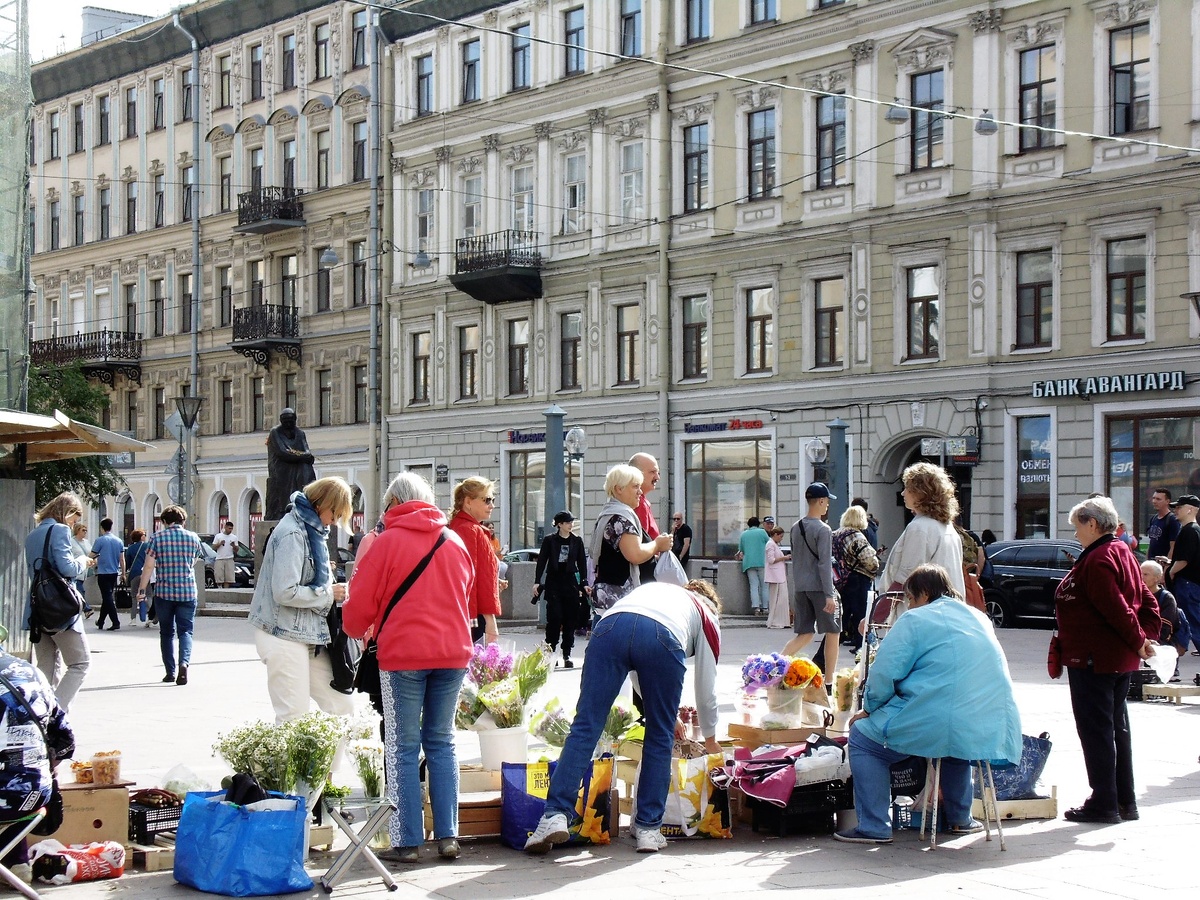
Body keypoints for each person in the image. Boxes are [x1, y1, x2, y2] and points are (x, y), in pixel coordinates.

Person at [524, 580, 722, 855]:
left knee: (585, 726)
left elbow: (638, 661)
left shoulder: (659, 591)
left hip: (610, 627)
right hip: (663, 639)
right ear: (713, 606)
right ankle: (648, 829)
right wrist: (710, 738)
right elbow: (706, 687)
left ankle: (554, 814)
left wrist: (656, 707)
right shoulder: (707, 615)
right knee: (659, 735)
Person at [835, 564, 1022, 844]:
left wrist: (869, 707)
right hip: (989, 722)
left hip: (939, 720)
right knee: (955, 744)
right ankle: (960, 819)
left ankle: (874, 826)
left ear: (924, 593)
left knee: (863, 738)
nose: (910, 605)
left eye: (911, 599)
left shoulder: (915, 619)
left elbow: (885, 672)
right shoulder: (979, 617)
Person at [342, 471, 475, 864]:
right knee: (442, 741)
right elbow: (465, 595)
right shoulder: (453, 541)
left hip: (403, 656)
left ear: (395, 503)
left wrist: (354, 626)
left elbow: (358, 609)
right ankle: (448, 836)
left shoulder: (386, 543)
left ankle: (408, 842)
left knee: (402, 745)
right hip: (452, 654)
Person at [1053, 495, 1158, 825]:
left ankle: (1104, 802)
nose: (1075, 534)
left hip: (1094, 658)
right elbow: (1145, 600)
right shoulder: (1122, 551)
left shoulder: (1100, 558)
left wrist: (1140, 640)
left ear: (1093, 524)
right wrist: (1144, 637)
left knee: (1097, 731)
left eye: (1077, 526)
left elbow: (1117, 608)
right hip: (1113, 657)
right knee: (1116, 729)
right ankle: (1124, 801)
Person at [249, 477, 355, 724]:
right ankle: (288, 752)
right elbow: (284, 591)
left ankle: (339, 753)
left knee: (341, 706)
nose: (335, 521)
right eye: (335, 514)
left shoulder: (312, 531)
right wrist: (328, 594)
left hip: (308, 633)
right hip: (282, 633)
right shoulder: (293, 533)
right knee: (293, 717)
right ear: (322, 504)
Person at [0, 628, 75, 885]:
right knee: (13, 778)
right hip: (34, 796)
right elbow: (65, 741)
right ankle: (16, 862)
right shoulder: (31, 672)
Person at [23, 492, 94, 711]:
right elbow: (67, 568)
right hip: (60, 608)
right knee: (80, 663)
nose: (73, 524)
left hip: (38, 608)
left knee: (46, 668)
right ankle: (56, 715)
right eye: (74, 519)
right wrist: (83, 560)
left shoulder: (33, 534)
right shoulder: (60, 530)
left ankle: (40, 714)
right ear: (66, 512)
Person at [589, 465, 674, 622]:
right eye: (635, 486)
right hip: (620, 603)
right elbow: (635, 555)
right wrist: (657, 545)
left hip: (613, 601)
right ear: (619, 489)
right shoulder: (620, 517)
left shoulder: (612, 513)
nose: (640, 492)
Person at [137, 505, 203, 686]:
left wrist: (142, 590)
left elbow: (148, 566)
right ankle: (184, 664)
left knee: (166, 633)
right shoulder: (193, 537)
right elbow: (195, 560)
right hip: (188, 591)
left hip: (164, 592)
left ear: (165, 521)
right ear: (183, 521)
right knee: (186, 631)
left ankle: (170, 672)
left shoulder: (157, 538)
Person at [880, 462, 965, 597]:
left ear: (920, 493)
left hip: (920, 607)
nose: (903, 493)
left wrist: (881, 608)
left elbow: (906, 578)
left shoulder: (919, 528)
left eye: (907, 488)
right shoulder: (949, 529)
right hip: (946, 605)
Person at [785, 483, 840, 681]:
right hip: (819, 587)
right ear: (821, 501)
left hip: (801, 587)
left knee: (805, 634)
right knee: (833, 632)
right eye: (827, 502)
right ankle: (829, 681)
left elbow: (795, 558)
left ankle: (775, 667)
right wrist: (829, 594)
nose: (828, 506)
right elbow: (824, 564)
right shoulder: (824, 529)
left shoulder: (795, 527)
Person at [449, 476, 503, 645]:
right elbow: (472, 579)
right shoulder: (469, 530)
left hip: (465, 612)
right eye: (487, 500)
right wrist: (490, 621)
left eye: (492, 500)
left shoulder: (462, 527)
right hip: (473, 615)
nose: (492, 505)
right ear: (468, 502)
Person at [533, 511, 588, 669]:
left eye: (571, 522)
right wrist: (537, 581)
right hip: (554, 582)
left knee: (570, 619)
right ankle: (551, 652)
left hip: (570, 582)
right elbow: (542, 561)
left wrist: (584, 582)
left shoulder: (577, 541)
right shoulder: (550, 540)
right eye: (568, 522)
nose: (571, 525)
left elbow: (582, 562)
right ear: (559, 524)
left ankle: (567, 653)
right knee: (555, 618)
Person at [831, 505, 880, 650]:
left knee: (841, 618)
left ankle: (825, 652)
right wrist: (875, 567)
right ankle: (862, 649)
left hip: (839, 579)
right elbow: (871, 562)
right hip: (858, 579)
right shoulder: (856, 536)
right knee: (861, 616)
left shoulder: (834, 535)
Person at [265, 408, 317, 520]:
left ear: (295, 420)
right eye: (286, 421)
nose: (288, 424)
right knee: (287, 473)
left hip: (296, 464)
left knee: (306, 468)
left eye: (291, 421)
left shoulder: (300, 433)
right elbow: (282, 452)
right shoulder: (275, 432)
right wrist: (303, 456)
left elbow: (307, 451)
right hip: (280, 466)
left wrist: (304, 457)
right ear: (281, 421)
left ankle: (306, 500)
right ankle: (285, 508)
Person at [1167, 495, 1200, 656]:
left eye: (1179, 507)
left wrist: (1171, 571)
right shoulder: (1191, 529)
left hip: (1188, 583)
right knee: (1189, 618)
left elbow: (1184, 559)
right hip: (1190, 582)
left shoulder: (1190, 530)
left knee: (1192, 620)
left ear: (1190, 509)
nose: (1176, 510)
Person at [1141, 560, 1185, 680]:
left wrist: (1149, 641)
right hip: (1141, 639)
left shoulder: (1166, 598)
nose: (1141, 578)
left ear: (1157, 578)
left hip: (1160, 640)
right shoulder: (1136, 594)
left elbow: (1166, 627)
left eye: (1146, 574)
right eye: (1140, 574)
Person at [91, 517, 124, 631]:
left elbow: (92, 555)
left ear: (102, 528)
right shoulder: (118, 541)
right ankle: (101, 621)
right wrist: (123, 573)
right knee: (107, 597)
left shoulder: (100, 540)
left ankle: (115, 621)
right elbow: (122, 559)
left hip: (103, 572)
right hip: (114, 572)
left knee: (107, 597)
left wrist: (84, 560)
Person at [736, 518, 770, 616]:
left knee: (754, 586)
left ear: (748, 524)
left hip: (749, 563)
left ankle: (756, 608)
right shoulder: (762, 532)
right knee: (764, 586)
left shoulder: (744, 534)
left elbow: (741, 549)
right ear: (758, 524)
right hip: (762, 562)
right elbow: (769, 544)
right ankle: (765, 608)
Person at [628, 452, 662, 538]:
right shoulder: (638, 503)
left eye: (658, 472)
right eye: (652, 472)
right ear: (637, 474)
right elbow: (641, 542)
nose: (657, 477)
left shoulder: (636, 500)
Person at [764, 525, 791, 629]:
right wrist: (784, 557)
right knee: (777, 599)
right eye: (780, 536)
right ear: (775, 534)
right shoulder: (770, 544)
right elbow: (771, 560)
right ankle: (776, 621)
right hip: (775, 576)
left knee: (781, 599)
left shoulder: (773, 544)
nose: (781, 538)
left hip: (778, 575)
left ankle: (781, 621)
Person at [123, 529, 152, 626]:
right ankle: (150, 618)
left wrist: (124, 573)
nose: (145, 536)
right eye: (144, 535)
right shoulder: (147, 546)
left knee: (134, 596)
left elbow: (128, 563)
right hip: (146, 573)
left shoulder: (130, 548)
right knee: (148, 595)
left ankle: (133, 619)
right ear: (141, 537)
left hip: (134, 574)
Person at [1146, 488, 1179, 565]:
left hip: (1163, 564)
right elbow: (1151, 543)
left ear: (1167, 501)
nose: (1154, 501)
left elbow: (1173, 547)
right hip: (1152, 564)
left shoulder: (1172, 520)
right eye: (1153, 498)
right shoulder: (1153, 518)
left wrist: (1167, 567)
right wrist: (1147, 562)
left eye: (1158, 499)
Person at [68, 521, 94, 618]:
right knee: (80, 590)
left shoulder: (86, 542)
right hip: (75, 570)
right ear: (77, 530)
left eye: (86, 530)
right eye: (83, 530)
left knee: (78, 590)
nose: (85, 532)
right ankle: (86, 609)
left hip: (85, 571)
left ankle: (76, 608)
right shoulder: (71, 542)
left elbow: (91, 554)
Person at [212, 521, 242, 589]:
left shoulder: (234, 537)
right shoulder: (218, 536)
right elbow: (213, 547)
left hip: (229, 559)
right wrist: (220, 543)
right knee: (219, 577)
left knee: (228, 579)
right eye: (229, 528)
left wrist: (234, 545)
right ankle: (220, 588)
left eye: (231, 529)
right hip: (220, 558)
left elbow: (237, 550)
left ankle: (226, 590)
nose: (230, 530)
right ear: (225, 527)